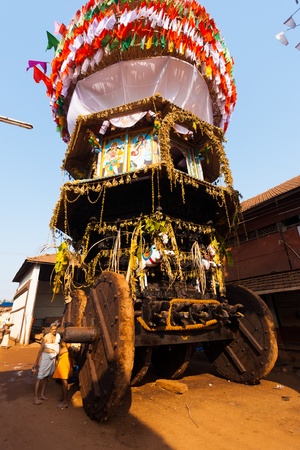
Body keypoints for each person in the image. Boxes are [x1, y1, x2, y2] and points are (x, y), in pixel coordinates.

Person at [32, 323, 61, 405]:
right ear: (50, 329)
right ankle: (35, 398)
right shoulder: (46, 337)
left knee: (47, 377)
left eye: (56, 329)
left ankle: (42, 394)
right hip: (45, 358)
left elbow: (57, 347)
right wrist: (36, 362)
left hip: (53, 358)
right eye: (53, 329)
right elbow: (40, 350)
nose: (54, 331)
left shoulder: (58, 336)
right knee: (40, 377)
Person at [52, 341, 72, 409]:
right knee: (62, 381)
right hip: (63, 360)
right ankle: (63, 398)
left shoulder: (68, 341)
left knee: (64, 381)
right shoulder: (64, 339)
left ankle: (65, 402)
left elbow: (70, 350)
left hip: (65, 361)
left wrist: (72, 364)